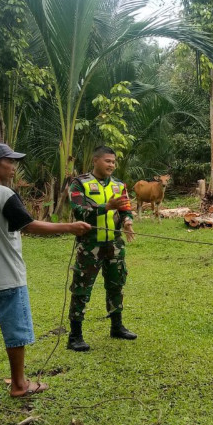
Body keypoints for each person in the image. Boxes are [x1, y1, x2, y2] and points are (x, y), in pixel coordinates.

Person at [0, 142, 92, 399]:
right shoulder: (4, 195)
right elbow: (28, 226)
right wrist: (70, 227)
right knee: (15, 331)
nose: (14, 167)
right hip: (7, 275)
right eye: (9, 161)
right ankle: (19, 384)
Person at [66, 145, 136, 352]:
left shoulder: (118, 185)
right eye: (108, 161)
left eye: (114, 162)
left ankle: (117, 326)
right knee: (81, 289)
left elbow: (126, 209)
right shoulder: (79, 183)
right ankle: (75, 336)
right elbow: (78, 211)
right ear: (95, 160)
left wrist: (127, 222)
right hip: (89, 245)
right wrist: (106, 207)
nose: (112, 165)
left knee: (116, 285)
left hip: (114, 244)